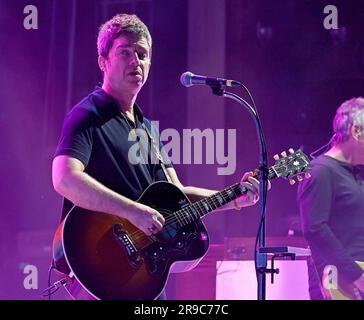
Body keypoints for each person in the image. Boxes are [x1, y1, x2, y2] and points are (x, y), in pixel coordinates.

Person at [52, 13, 261, 300]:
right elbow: (65, 178)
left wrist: (232, 198)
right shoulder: (87, 115)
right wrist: (133, 212)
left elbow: (178, 196)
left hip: (142, 275)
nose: (135, 60)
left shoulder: (147, 129)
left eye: (142, 54)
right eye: (125, 52)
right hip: (101, 266)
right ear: (103, 62)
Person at [297, 97, 364, 299]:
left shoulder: (357, 174)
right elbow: (315, 229)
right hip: (343, 284)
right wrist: (357, 276)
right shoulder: (321, 171)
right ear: (356, 131)